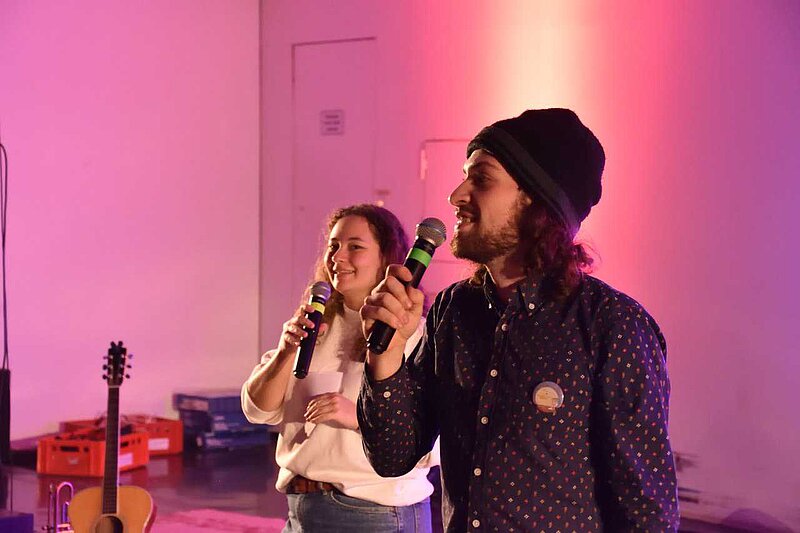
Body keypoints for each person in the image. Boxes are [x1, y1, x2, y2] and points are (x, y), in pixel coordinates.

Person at [357, 109, 680, 532]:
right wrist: (386, 355)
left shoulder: (614, 326)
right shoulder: (454, 309)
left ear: (536, 202)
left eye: (481, 179)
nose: (456, 195)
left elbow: (646, 512)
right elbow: (393, 456)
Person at [242, 204, 437, 532]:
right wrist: (286, 352)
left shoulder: (414, 333)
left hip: (373, 513)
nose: (338, 257)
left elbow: (435, 444)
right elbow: (257, 410)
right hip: (301, 508)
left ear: (387, 259)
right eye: (333, 246)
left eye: (355, 247)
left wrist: (360, 417)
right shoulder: (315, 324)